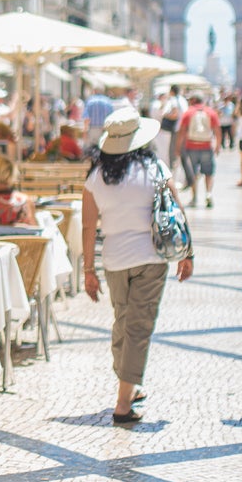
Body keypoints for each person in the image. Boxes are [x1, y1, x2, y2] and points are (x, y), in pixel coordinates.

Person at [81, 106, 192, 424]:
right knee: (138, 328)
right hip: (151, 257)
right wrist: (188, 252)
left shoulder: (96, 176)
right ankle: (123, 403)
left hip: (114, 261)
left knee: (123, 321)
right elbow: (176, 212)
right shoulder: (155, 167)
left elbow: (89, 227)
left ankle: (127, 382)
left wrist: (89, 270)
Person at [176, 92, 221, 207]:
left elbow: (182, 131)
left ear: (193, 100)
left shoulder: (189, 112)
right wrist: (218, 145)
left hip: (191, 146)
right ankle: (208, 194)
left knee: (193, 173)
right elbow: (217, 130)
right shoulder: (211, 112)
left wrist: (178, 147)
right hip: (206, 145)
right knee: (209, 172)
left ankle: (194, 197)